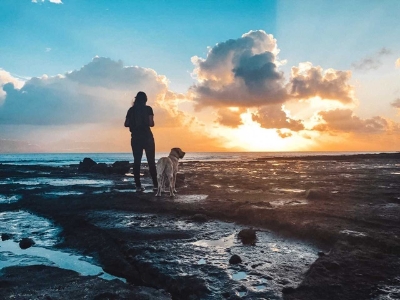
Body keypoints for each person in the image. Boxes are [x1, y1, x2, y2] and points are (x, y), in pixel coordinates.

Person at [124, 91, 157, 191]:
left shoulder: (131, 110)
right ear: (145, 100)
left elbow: (126, 124)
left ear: (136, 99)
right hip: (147, 137)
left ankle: (138, 186)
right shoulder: (148, 109)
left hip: (136, 138)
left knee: (136, 161)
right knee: (151, 161)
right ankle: (156, 185)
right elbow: (151, 124)